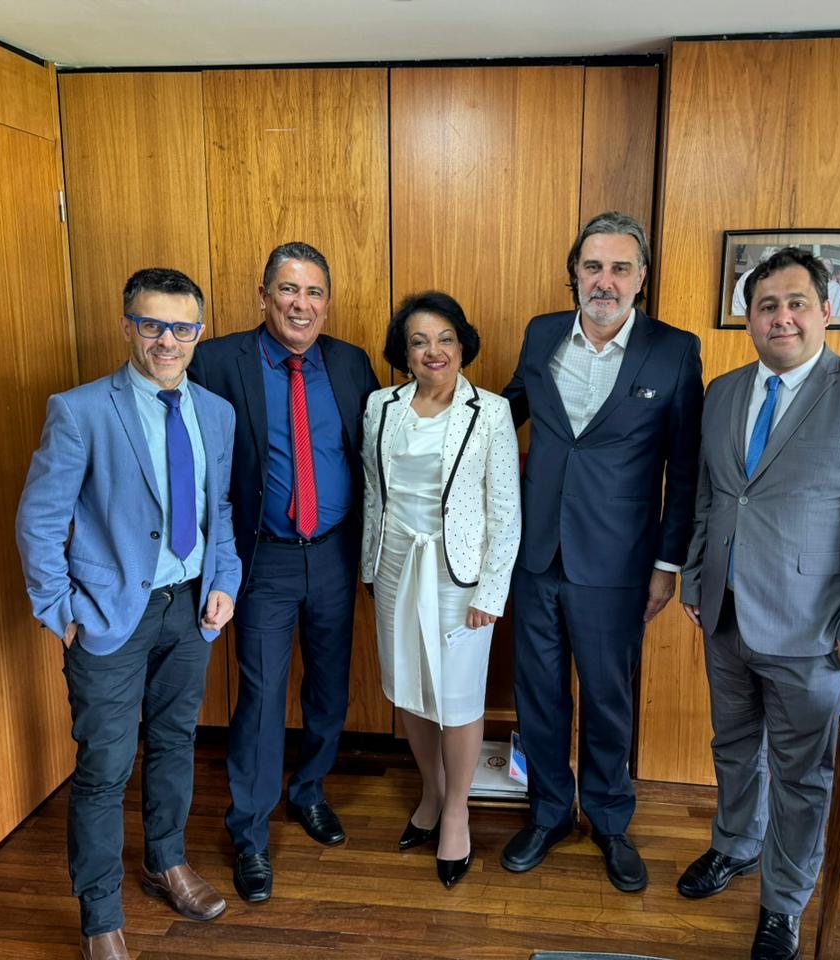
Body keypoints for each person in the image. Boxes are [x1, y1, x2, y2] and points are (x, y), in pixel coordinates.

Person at [679, 248, 840, 960]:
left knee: (801, 774)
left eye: (795, 303)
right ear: (748, 319)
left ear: (825, 311)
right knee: (732, 748)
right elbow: (710, 496)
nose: (781, 318)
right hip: (724, 615)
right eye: (766, 306)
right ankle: (736, 845)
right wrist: (695, 579)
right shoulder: (723, 392)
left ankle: (784, 902)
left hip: (813, 631)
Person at [16, 268, 240, 960]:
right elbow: (39, 519)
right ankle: (100, 917)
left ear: (199, 332)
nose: (167, 341)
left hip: (191, 609)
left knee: (174, 743)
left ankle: (166, 861)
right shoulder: (80, 410)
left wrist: (224, 579)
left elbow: (219, 508)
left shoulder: (216, 412)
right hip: (109, 617)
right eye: (152, 325)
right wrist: (60, 610)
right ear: (127, 327)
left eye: (182, 327)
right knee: (105, 767)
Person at [500, 211, 703, 892]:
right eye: (593, 266)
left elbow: (686, 468)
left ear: (641, 277)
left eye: (620, 268)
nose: (605, 281)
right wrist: (432, 414)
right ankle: (549, 813)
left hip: (619, 565)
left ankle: (611, 821)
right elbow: (504, 415)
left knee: (609, 700)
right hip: (535, 555)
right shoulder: (541, 334)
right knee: (538, 694)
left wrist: (667, 566)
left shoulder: (674, 351)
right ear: (575, 274)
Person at [187, 242, 379, 904]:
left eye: (314, 292)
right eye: (289, 290)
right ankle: (249, 832)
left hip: (333, 553)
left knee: (329, 686)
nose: (302, 304)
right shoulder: (218, 362)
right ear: (264, 295)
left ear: (327, 302)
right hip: (261, 556)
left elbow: (371, 456)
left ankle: (310, 790)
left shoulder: (351, 363)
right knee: (263, 694)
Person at [360, 291, 521, 888]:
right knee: (409, 687)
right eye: (420, 341)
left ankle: (457, 813)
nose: (434, 351)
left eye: (445, 338)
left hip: (461, 580)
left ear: (462, 345)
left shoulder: (491, 412)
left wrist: (491, 593)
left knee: (457, 697)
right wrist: (370, 568)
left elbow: (505, 510)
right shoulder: (381, 407)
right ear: (404, 353)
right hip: (395, 567)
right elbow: (374, 494)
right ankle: (431, 791)